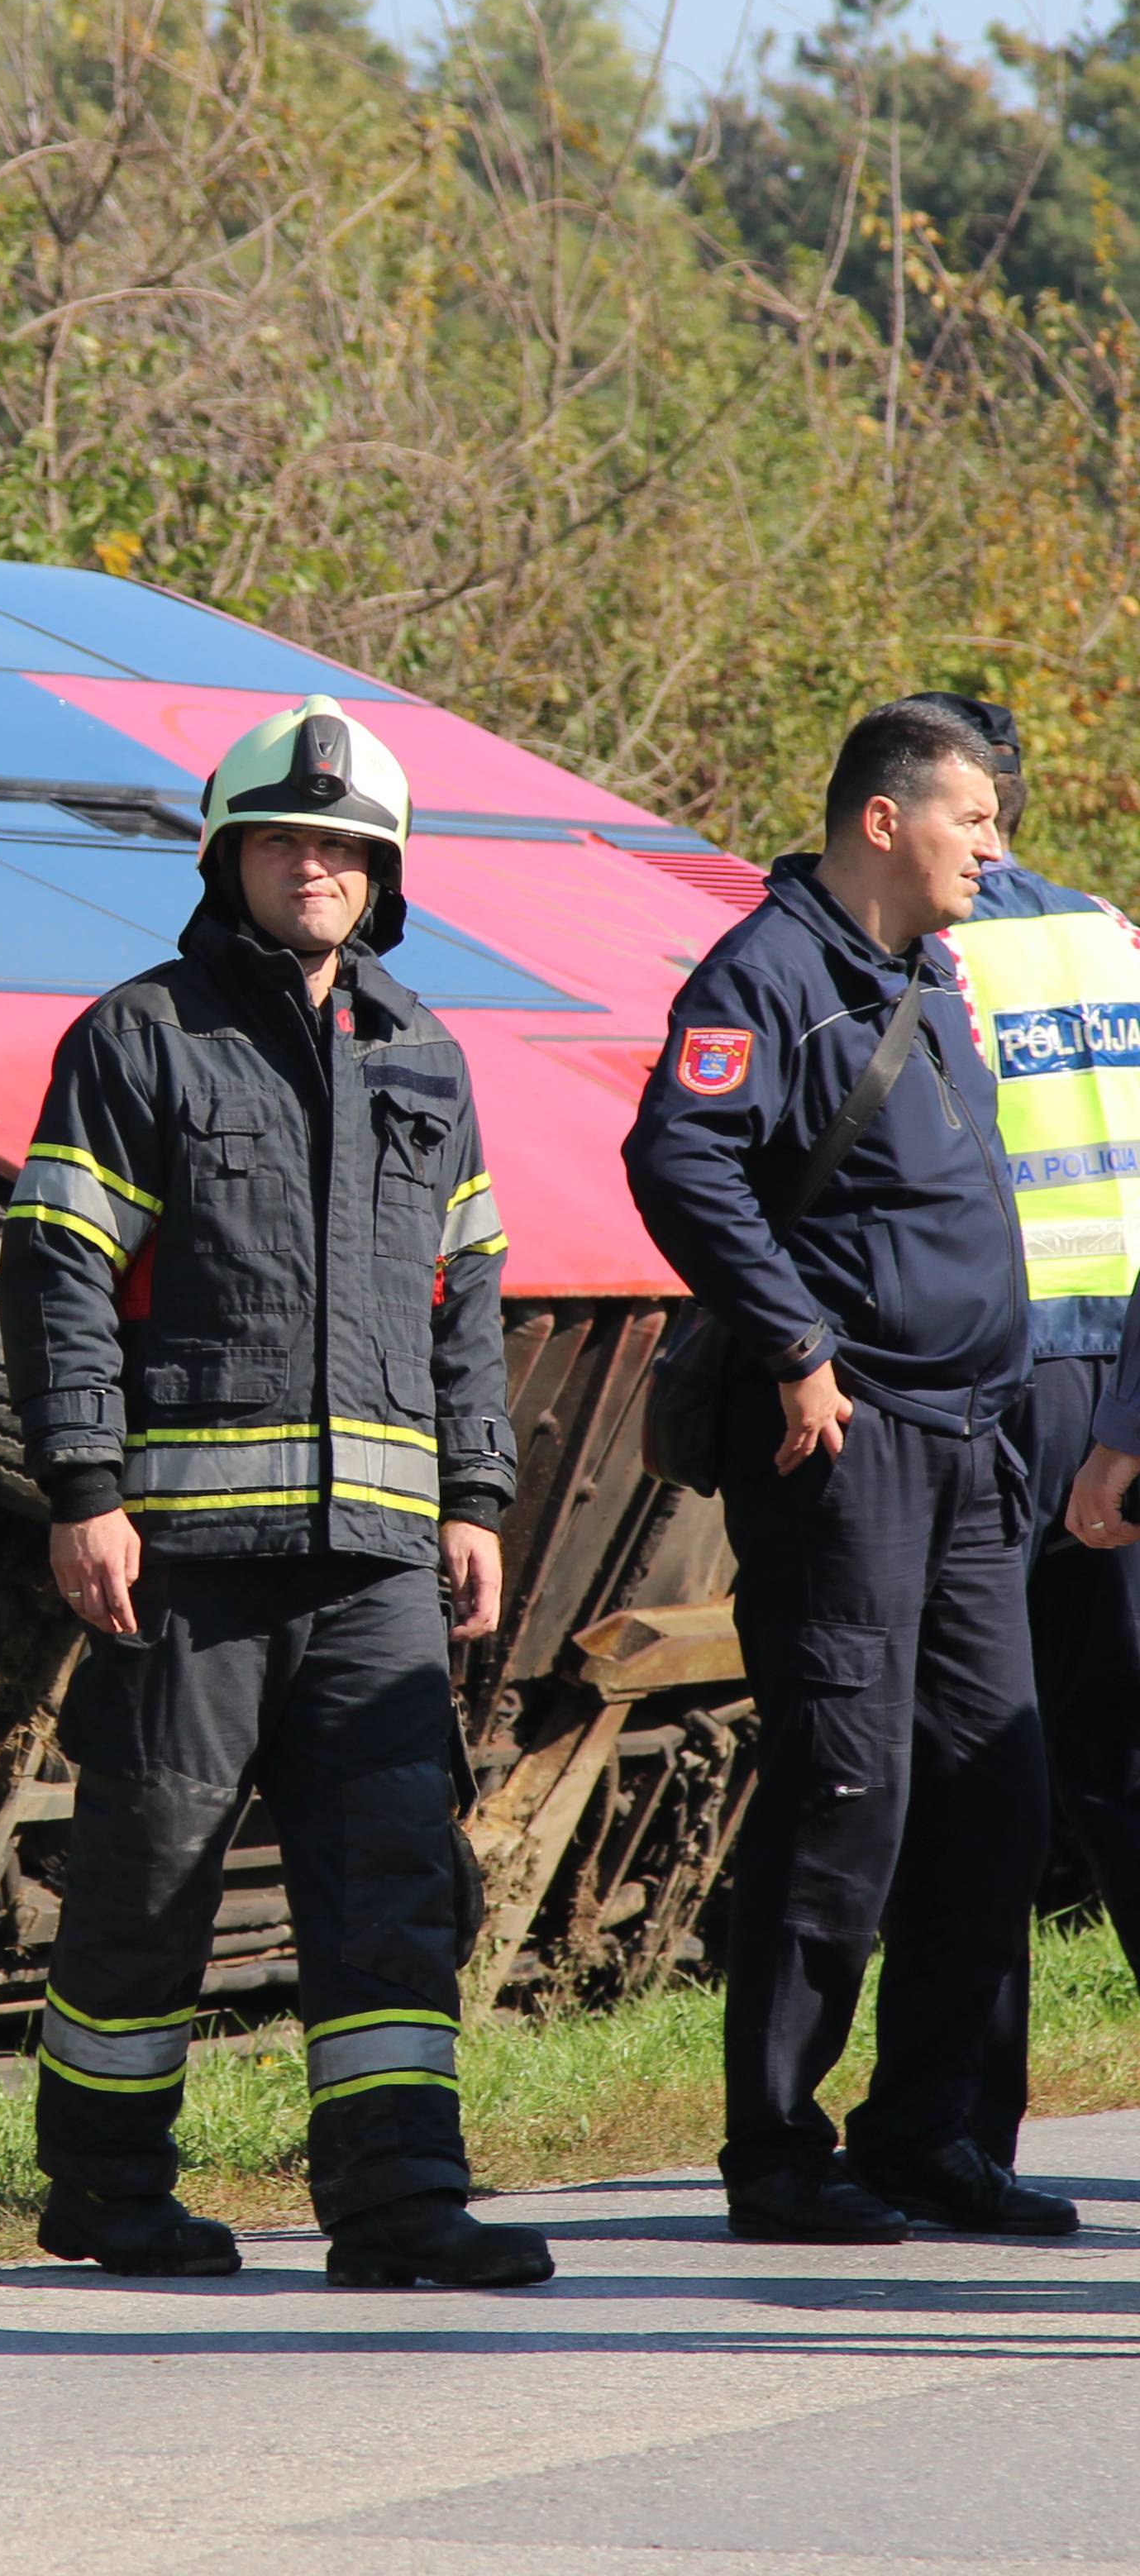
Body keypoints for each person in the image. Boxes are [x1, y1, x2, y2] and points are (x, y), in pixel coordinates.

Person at [0, 692, 551, 2290]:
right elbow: (60, 1274)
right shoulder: (138, 1036)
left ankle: (398, 2209)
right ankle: (107, 2195)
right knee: (149, 1874)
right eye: (287, 841)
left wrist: (479, 1494)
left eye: (346, 847)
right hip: (187, 1556)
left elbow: (469, 1296)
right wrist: (83, 1485)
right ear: (229, 857)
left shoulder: (426, 1054)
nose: (317, 866)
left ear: (384, 878)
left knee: (389, 1885)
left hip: (379, 1562)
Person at [623, 698, 1075, 2244]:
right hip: (849, 1442)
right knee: (844, 1798)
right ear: (884, 820)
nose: (994, 848)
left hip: (971, 1448)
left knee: (994, 1799)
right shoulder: (768, 973)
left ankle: (920, 2135)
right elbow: (676, 1155)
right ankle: (777, 2158)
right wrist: (797, 1341)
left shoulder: (920, 978)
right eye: (974, 819)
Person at [911, 695, 1140, 2165]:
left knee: (975, 1770)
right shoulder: (1110, 940)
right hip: (1130, 1379)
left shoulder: (914, 950)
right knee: (1128, 1763)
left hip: (992, 1386)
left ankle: (959, 2129)